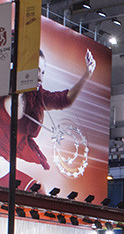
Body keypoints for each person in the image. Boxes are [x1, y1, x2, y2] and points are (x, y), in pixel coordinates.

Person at [0, 48, 96, 176]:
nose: (40, 78)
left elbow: (65, 100)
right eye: (36, 70)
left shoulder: (38, 97)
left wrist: (87, 74)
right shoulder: (4, 88)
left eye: (43, 72)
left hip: (8, 164)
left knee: (39, 189)